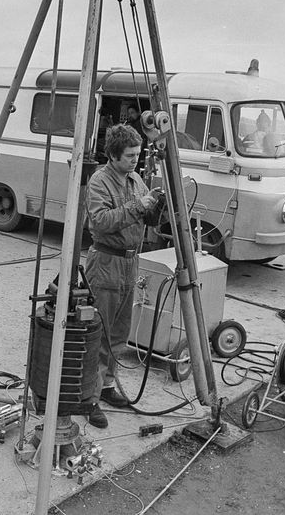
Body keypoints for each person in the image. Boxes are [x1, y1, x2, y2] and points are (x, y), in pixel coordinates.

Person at [83, 124, 164, 429]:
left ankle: (106, 387)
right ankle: (88, 398)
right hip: (105, 262)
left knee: (118, 333)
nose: (135, 159)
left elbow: (147, 218)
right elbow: (101, 221)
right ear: (114, 154)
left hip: (131, 264)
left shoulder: (136, 180)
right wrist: (135, 207)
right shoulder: (100, 182)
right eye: (130, 155)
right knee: (98, 333)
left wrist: (155, 204)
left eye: (137, 154)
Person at [125, 103, 148, 169]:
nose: (130, 115)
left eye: (132, 112)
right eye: (129, 113)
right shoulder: (133, 123)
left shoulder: (139, 124)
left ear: (138, 112)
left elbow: (139, 139)